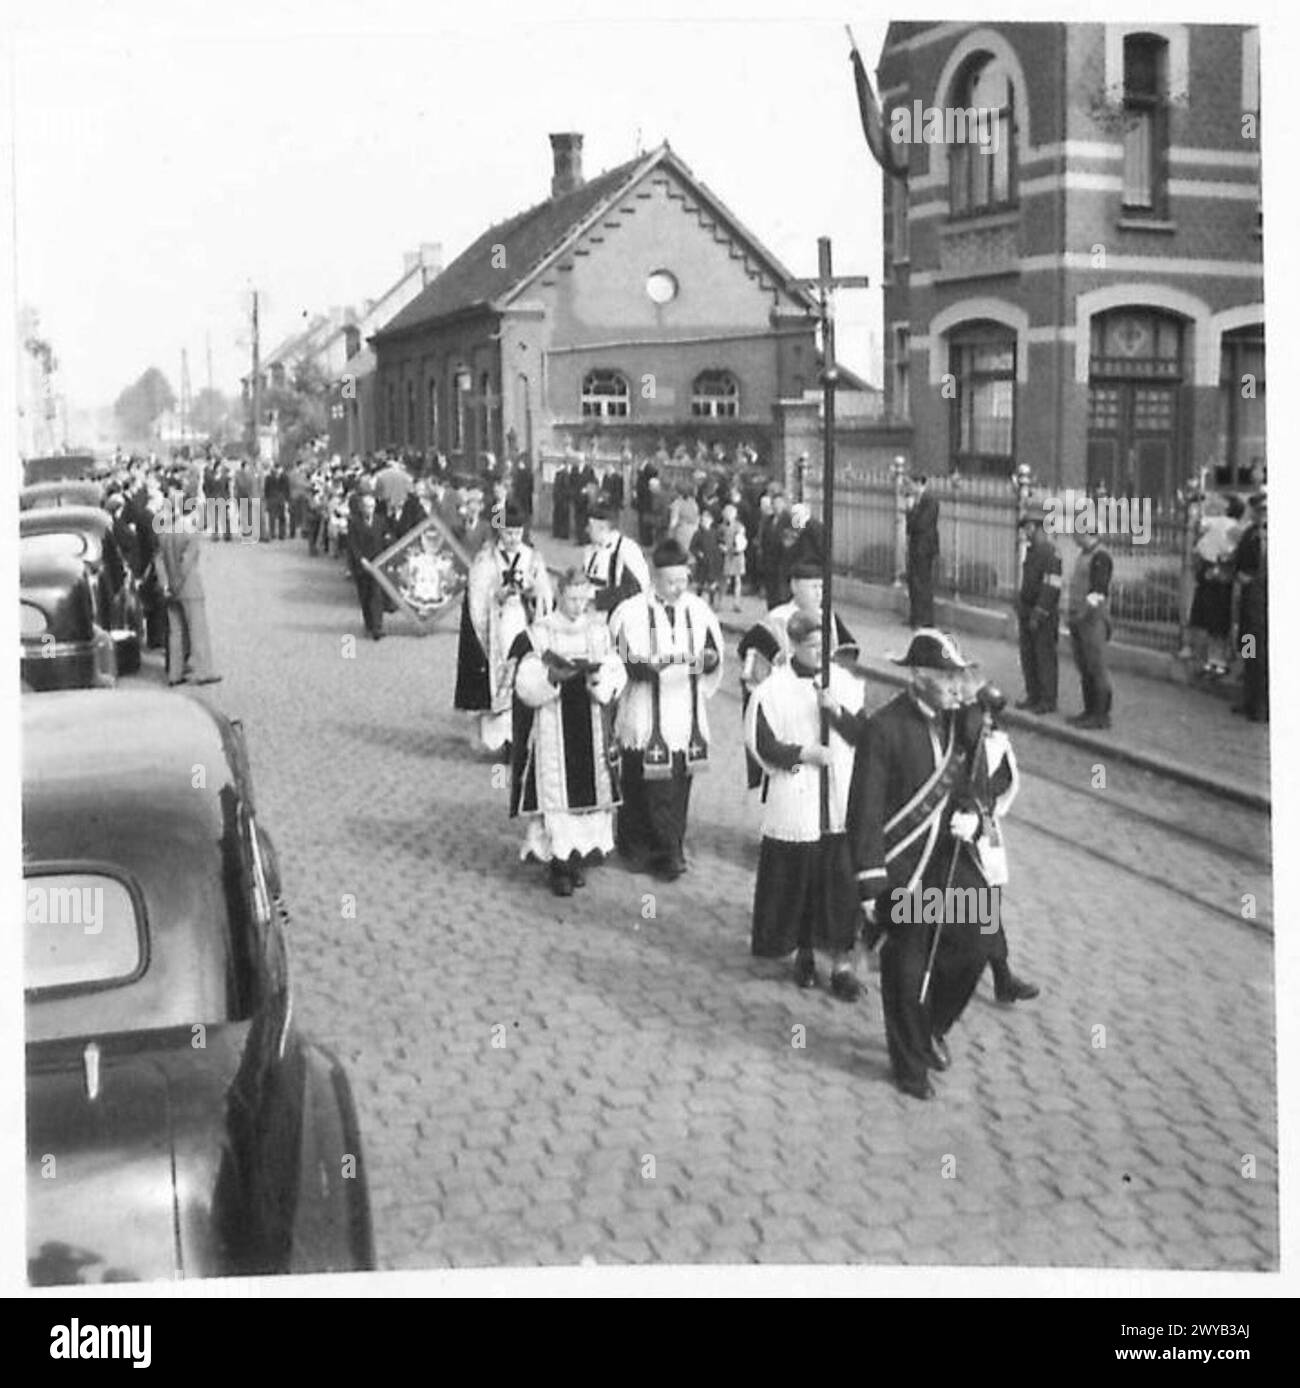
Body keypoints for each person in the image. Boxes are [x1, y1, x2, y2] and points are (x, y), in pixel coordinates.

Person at [846, 630, 996, 1101]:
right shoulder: (885, 728)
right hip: (901, 868)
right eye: (947, 677)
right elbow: (864, 810)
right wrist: (872, 883)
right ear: (918, 677)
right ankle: (909, 1064)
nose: (957, 686)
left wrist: (972, 814)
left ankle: (931, 1026)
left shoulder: (963, 725)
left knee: (976, 944)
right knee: (907, 968)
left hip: (949, 858)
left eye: (960, 676)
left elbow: (979, 784)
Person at [746, 610, 867, 1000]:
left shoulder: (846, 684)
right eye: (812, 646)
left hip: (837, 796)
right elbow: (763, 744)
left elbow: (864, 735)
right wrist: (803, 753)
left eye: (825, 645)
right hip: (797, 795)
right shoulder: (773, 689)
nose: (820, 652)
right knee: (802, 879)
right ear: (795, 645)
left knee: (840, 883)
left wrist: (836, 711)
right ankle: (805, 951)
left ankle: (843, 963)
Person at [609, 538, 724, 881]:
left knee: (676, 786)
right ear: (654, 578)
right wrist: (645, 667)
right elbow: (623, 658)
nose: (677, 588)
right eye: (670, 582)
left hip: (683, 712)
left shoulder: (699, 611)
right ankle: (635, 846)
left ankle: (669, 849)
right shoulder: (630, 611)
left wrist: (708, 660)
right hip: (644, 709)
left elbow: (712, 652)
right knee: (639, 782)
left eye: (682, 581)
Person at [509, 569, 628, 896]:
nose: (578, 606)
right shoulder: (540, 633)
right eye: (572, 598)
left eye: (583, 599)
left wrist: (599, 681)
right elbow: (524, 684)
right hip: (553, 725)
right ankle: (558, 865)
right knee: (557, 800)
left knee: (589, 802)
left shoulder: (599, 632)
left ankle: (577, 860)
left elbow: (617, 672)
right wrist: (551, 678)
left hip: (590, 722)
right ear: (560, 594)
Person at [953, 675, 1039, 1004]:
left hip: (984, 826)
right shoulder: (957, 740)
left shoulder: (998, 745)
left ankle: (1002, 976)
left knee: (987, 900)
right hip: (953, 827)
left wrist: (985, 812)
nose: (987, 720)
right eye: (982, 713)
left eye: (993, 714)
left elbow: (1003, 785)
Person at [738, 561, 860, 791]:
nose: (818, 593)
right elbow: (754, 670)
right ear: (794, 586)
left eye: (821, 587)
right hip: (788, 706)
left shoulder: (830, 618)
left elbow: (846, 658)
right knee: (791, 777)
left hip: (824, 701)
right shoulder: (775, 620)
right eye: (812, 586)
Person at [454, 503, 554, 755]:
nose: (512, 539)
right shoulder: (486, 558)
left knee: (522, 671)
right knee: (498, 679)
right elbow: (476, 596)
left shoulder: (532, 558)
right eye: (508, 533)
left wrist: (531, 592)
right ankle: (498, 740)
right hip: (495, 626)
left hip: (522, 620)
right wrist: (496, 595)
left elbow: (545, 595)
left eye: (517, 533)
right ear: (500, 532)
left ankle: (521, 735)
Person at [157, 482, 221, 687]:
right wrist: (177, 583)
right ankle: (202, 670)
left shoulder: (165, 532)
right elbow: (186, 563)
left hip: (170, 588)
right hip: (189, 586)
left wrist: (166, 584)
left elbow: (158, 561)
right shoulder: (191, 533)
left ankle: (175, 673)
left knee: (175, 632)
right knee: (197, 629)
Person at [1015, 498, 1062, 714]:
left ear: (1035, 527)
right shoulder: (1034, 551)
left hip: (1042, 615)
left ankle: (1047, 699)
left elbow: (1051, 587)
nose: (1024, 532)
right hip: (1027, 611)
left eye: (1027, 527)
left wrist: (1039, 612)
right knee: (1029, 656)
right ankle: (1033, 695)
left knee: (1044, 657)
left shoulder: (1050, 553)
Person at [1065, 521, 1114, 730]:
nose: (1073, 536)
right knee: (1084, 666)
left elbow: (1098, 591)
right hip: (1080, 618)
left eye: (1076, 532)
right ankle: (1089, 710)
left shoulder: (1100, 557)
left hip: (1093, 620)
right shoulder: (1085, 555)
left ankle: (1100, 714)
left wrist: (1084, 613)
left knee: (1096, 667)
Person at [1189, 492, 1239, 679]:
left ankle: (1235, 661)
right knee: (1219, 623)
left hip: (1221, 576)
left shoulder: (1225, 524)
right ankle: (1226, 661)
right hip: (1228, 578)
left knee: (1222, 624)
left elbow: (1198, 524)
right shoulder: (1237, 528)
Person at [1232, 489, 1268, 722]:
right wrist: (1239, 574)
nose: (1259, 515)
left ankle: (1262, 704)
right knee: (1248, 646)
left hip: (1263, 601)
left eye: (1263, 510)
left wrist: (1254, 579)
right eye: (1257, 510)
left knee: (1263, 655)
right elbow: (1238, 558)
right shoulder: (1250, 533)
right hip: (1248, 600)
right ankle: (1247, 697)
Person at [583, 497, 651, 619]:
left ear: (602, 527)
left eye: (590, 526)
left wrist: (597, 599)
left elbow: (638, 588)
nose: (586, 530)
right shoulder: (589, 550)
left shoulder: (627, 549)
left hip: (619, 618)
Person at [347, 490, 392, 640]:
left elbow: (387, 537)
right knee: (365, 596)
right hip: (362, 565)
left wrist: (388, 541)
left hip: (377, 564)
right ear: (361, 507)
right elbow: (353, 545)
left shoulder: (381, 520)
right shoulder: (354, 522)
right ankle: (368, 623)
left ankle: (377, 627)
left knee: (376, 595)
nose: (369, 509)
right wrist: (361, 560)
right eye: (366, 506)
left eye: (372, 506)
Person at [905, 475, 940, 627]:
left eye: (911, 484)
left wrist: (912, 510)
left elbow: (920, 524)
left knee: (923, 583)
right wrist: (911, 510)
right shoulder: (917, 501)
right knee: (913, 582)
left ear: (919, 483)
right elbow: (909, 527)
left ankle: (925, 620)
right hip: (915, 545)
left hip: (925, 548)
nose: (910, 488)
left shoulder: (930, 501)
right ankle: (915, 616)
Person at [690, 507, 724, 609]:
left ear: (711, 520)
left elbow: (720, 543)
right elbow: (692, 547)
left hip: (714, 561)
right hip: (702, 562)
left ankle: (712, 602)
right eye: (702, 519)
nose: (704, 521)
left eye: (706, 519)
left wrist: (722, 547)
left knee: (712, 583)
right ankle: (698, 601)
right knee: (700, 583)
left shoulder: (715, 532)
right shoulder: (698, 533)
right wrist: (698, 553)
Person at [718, 502, 747, 611]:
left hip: (737, 555)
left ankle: (736, 603)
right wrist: (721, 547)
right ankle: (720, 601)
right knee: (726, 580)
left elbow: (742, 540)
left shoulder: (739, 526)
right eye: (727, 514)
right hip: (727, 555)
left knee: (737, 579)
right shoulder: (721, 527)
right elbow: (719, 540)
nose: (728, 516)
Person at [551, 459, 572, 540]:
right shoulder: (560, 474)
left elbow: (565, 488)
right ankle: (559, 533)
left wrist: (559, 496)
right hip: (560, 500)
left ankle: (562, 533)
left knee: (562, 517)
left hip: (562, 500)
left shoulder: (564, 474)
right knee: (559, 516)